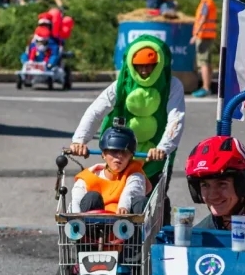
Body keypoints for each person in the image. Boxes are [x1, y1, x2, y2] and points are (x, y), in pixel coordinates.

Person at [70, 36, 184, 188]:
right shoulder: (120, 86)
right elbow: (95, 112)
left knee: (155, 202)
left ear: (160, 64)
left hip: (155, 158)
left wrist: (163, 148)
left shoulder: (172, 85)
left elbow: (176, 119)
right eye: (139, 66)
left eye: (149, 66)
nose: (144, 71)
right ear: (131, 64)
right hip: (120, 154)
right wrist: (79, 141)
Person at [70, 121, 150, 214]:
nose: (119, 155)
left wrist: (124, 207)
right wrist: (75, 218)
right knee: (92, 197)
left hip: (126, 223)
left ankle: (139, 228)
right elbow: (76, 200)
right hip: (94, 224)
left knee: (141, 201)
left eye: (124, 152)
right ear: (103, 154)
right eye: (114, 151)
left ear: (131, 156)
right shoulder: (88, 177)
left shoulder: (135, 174)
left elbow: (132, 190)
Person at [191, 0, 216, 98]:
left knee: (203, 63)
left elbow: (203, 18)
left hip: (203, 36)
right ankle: (208, 86)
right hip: (207, 35)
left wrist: (195, 34)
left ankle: (205, 87)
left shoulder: (205, 2)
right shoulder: (207, 1)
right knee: (207, 62)